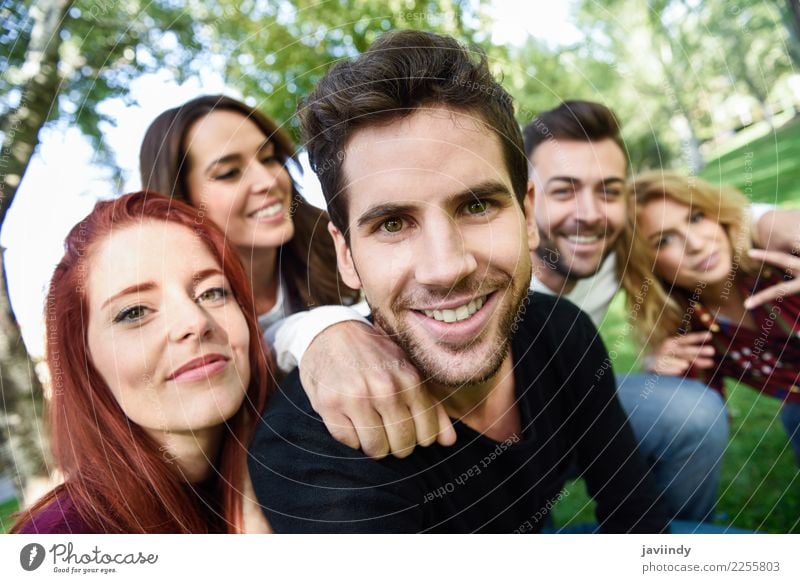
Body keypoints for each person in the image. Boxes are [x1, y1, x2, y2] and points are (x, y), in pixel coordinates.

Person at [248, 30, 669, 533]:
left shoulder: (564, 331)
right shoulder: (315, 455)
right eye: (392, 224)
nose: (446, 267)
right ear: (347, 255)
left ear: (527, 214)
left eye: (476, 206)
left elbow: (636, 515)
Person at [523, 100, 800, 522]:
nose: (590, 214)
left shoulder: (605, 246)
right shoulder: (496, 268)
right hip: (491, 440)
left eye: (608, 190)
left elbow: (698, 217)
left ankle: (677, 536)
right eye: (563, 190)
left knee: (691, 411)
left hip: (570, 403)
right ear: (525, 199)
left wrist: (767, 220)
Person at [140, 96, 456, 459]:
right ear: (181, 199)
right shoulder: (179, 311)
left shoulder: (335, 239)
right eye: (228, 172)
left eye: (269, 157)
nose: (267, 180)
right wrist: (312, 330)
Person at [12, 192, 272, 533]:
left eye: (212, 292)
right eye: (134, 311)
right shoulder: (63, 540)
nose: (194, 321)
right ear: (85, 362)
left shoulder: (301, 459)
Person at [619, 171, 800, 466]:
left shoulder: (777, 257)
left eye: (695, 218)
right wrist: (661, 379)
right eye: (664, 240)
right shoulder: (688, 331)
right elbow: (697, 424)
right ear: (646, 264)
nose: (696, 244)